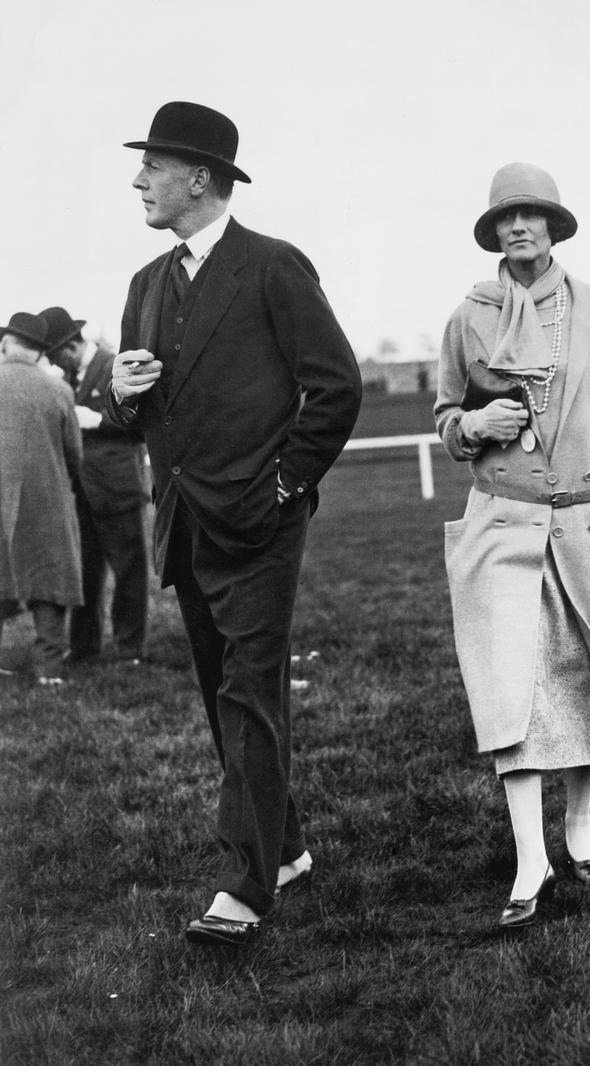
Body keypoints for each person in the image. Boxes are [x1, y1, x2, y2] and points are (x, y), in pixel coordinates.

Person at [106, 101, 362, 946]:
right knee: (224, 702)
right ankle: (283, 847)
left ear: (201, 179)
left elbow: (335, 389)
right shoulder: (145, 285)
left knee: (250, 695)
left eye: (154, 166)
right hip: (184, 526)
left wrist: (285, 487)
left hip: (261, 525)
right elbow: (144, 421)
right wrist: (122, 394)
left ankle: (243, 888)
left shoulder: (274, 267)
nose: (140, 179)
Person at [435, 163, 590, 928]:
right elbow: (446, 416)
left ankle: (577, 824)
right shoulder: (468, 316)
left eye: (531, 215)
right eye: (505, 218)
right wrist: (473, 427)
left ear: (553, 225)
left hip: (586, 525)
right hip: (503, 523)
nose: (519, 228)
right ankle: (527, 856)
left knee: (580, 679)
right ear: (493, 233)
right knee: (511, 685)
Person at [41, 306, 150, 664]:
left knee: (128, 573)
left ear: (70, 346)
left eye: (55, 355)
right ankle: (85, 647)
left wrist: (97, 421)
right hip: (82, 494)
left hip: (117, 491)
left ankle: (129, 650)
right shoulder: (69, 379)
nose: (55, 364)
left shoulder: (114, 366)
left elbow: (140, 425)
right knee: (85, 573)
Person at [0, 312, 83, 685]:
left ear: (6, 344)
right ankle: (49, 670)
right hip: (46, 499)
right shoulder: (59, 390)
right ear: (40, 352)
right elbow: (74, 455)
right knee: (49, 579)